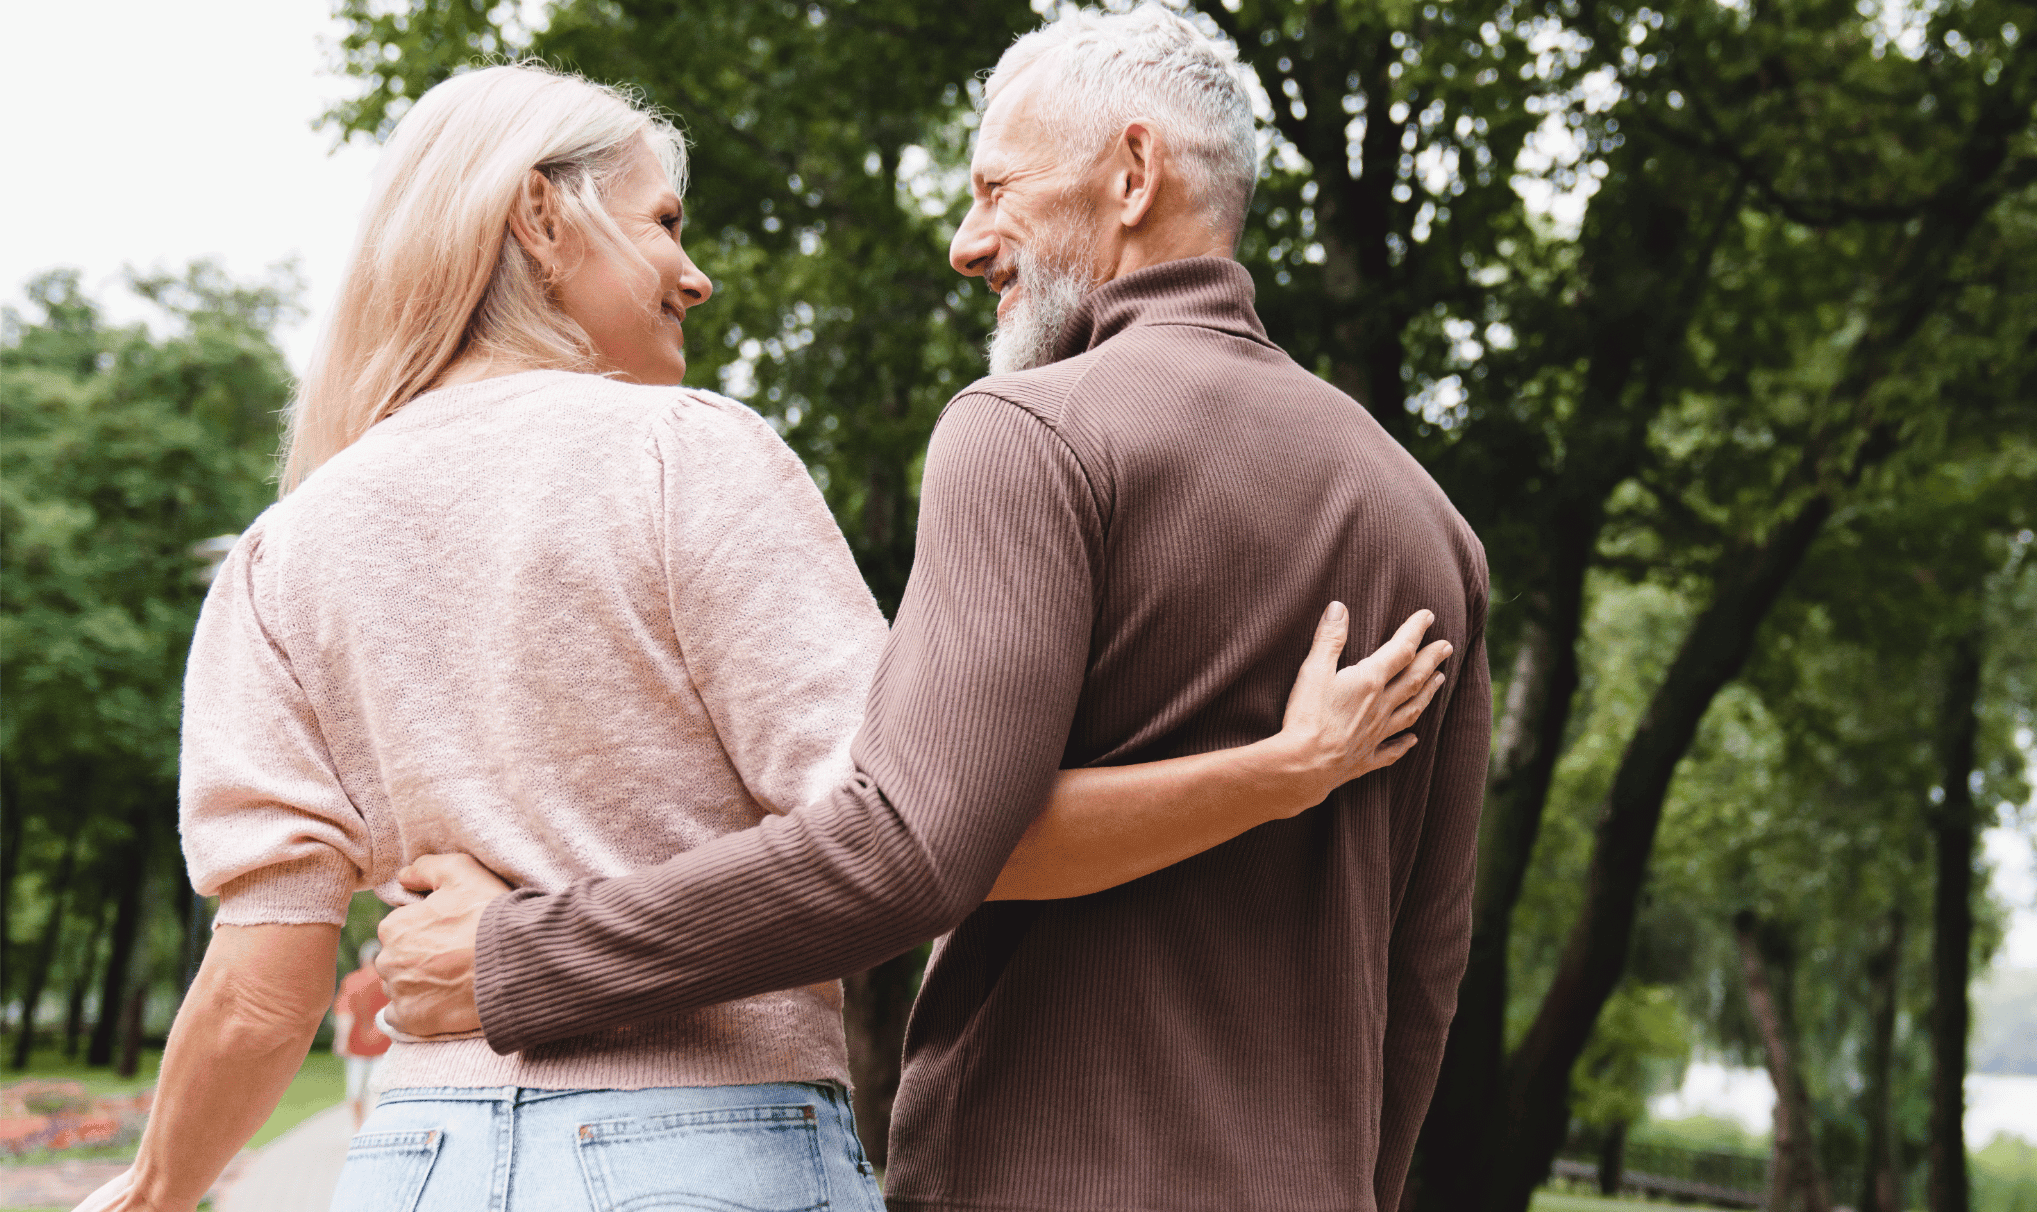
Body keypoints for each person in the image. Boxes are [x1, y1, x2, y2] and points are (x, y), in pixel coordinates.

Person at [71, 59, 1445, 1212]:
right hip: (706, 1154)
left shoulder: (282, 548)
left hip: (411, 1162)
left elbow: (261, 991)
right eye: (663, 223)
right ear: (541, 222)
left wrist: (152, 1186)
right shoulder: (691, 460)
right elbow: (933, 837)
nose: (695, 274)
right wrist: (1275, 771)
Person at [331, 941, 390, 1129]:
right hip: (385, 1046)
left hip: (357, 1047)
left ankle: (358, 1125)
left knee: (355, 1092)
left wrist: (341, 1040)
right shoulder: (389, 980)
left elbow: (346, 1014)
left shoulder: (353, 981)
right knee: (379, 1091)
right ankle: (376, 1125)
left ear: (363, 959)